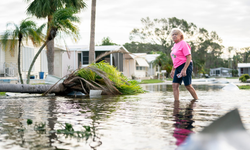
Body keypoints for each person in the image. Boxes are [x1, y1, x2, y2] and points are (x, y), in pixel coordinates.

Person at [170, 28, 198, 100]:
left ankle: (196, 100)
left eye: (176, 34)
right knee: (174, 85)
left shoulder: (183, 43)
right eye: (173, 35)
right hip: (178, 67)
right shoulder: (174, 45)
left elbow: (189, 57)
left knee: (188, 85)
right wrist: (173, 70)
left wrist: (184, 69)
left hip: (185, 65)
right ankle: (176, 102)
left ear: (180, 36)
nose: (174, 36)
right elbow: (175, 59)